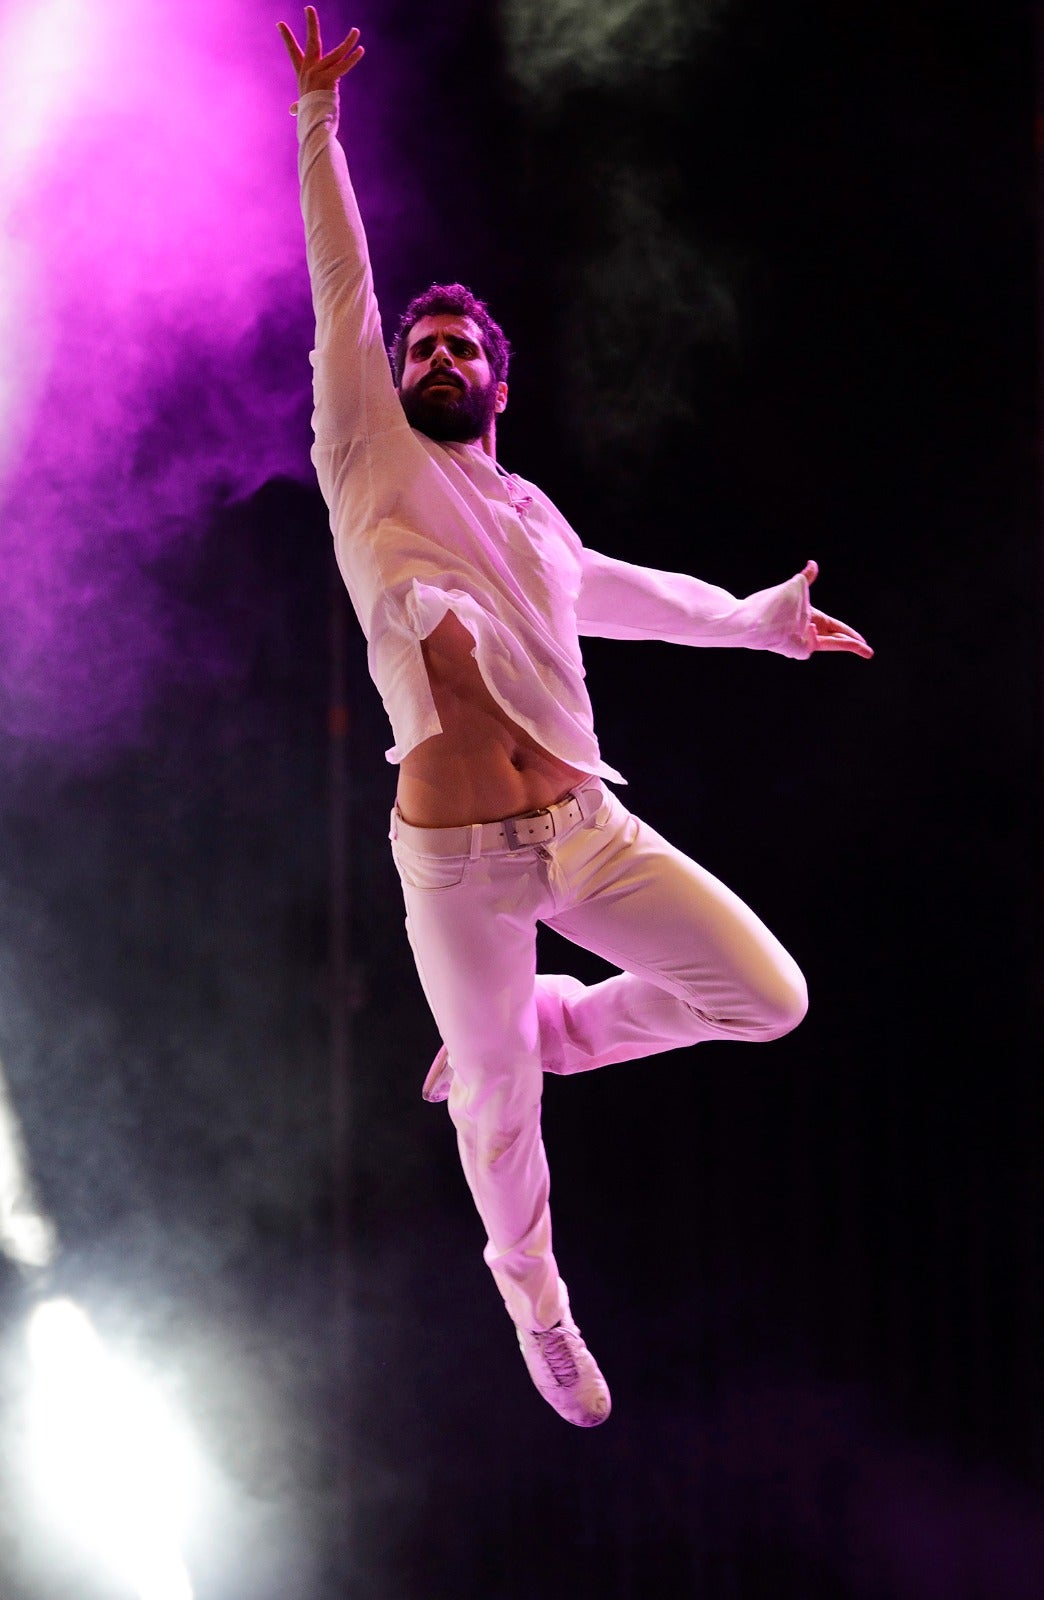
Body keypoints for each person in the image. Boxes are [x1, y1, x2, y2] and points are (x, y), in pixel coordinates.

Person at [278, 8, 872, 1428]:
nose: (426, 354)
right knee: (494, 1111)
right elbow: (343, 288)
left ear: (494, 380)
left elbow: (633, 592)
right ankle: (538, 1310)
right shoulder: (365, 453)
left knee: (768, 999)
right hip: (461, 862)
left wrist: (757, 621)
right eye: (415, 342)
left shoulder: (532, 516)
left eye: (451, 347)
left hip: (585, 826)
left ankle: (562, 1023)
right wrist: (318, 123)